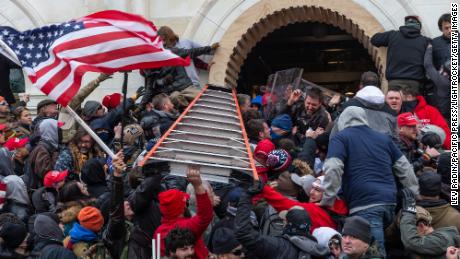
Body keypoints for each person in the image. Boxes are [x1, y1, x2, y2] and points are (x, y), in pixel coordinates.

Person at [320, 107, 419, 257]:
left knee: (374, 254)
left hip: (365, 205)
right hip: (389, 203)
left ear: (342, 121)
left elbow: (333, 167)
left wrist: (328, 198)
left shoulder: (340, 137)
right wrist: (414, 194)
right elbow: (405, 168)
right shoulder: (383, 138)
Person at [235, 185, 330, 259]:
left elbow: (243, 233)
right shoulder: (321, 251)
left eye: (284, 221)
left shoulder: (277, 246)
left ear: (288, 224)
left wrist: (246, 197)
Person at [154, 166, 214, 259]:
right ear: (181, 208)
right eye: (184, 202)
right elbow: (205, 216)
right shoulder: (187, 226)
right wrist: (197, 185)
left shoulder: (158, 232)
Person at [331, 72, 398, 141]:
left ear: (360, 86)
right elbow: (396, 139)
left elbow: (335, 135)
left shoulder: (348, 106)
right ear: (378, 87)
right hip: (383, 150)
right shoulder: (390, 111)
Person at [371, 15, 430, 91]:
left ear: (405, 24)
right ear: (419, 26)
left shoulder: (393, 35)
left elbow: (374, 40)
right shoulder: (425, 41)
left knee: (394, 102)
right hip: (415, 83)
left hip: (394, 81)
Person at [399, 188, 460, 258]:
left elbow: (412, 243)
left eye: (412, 230)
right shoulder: (455, 213)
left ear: (421, 226)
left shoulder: (441, 242)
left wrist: (409, 213)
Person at [25, 119, 60, 190]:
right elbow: (46, 173)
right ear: (51, 131)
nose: (60, 132)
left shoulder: (48, 146)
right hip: (42, 190)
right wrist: (57, 154)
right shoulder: (42, 149)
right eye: (57, 130)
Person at [424, 44, 451, 123]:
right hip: (447, 117)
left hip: (441, 118)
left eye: (442, 68)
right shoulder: (448, 82)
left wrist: (429, 48)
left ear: (445, 72)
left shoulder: (442, 81)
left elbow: (428, 65)